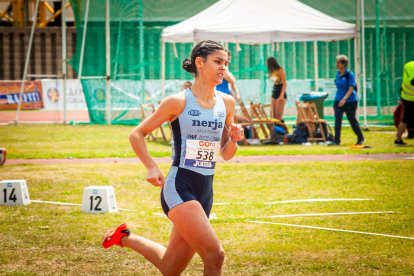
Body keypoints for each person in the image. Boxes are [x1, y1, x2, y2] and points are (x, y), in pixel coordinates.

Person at [102, 40, 244, 276]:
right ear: (200, 63)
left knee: (170, 268)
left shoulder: (226, 103)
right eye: (218, 62)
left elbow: (227, 155)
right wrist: (151, 167)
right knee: (215, 255)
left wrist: (235, 138)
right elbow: (137, 134)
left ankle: (124, 238)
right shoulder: (177, 102)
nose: (224, 68)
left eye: (226, 63)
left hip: (205, 190)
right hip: (180, 186)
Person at [328, 55, 365, 146]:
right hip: (338, 101)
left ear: (344, 64)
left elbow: (351, 88)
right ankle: (336, 140)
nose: (336, 64)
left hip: (350, 102)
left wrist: (344, 99)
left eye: (338, 63)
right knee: (337, 120)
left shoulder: (349, 74)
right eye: (336, 62)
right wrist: (339, 100)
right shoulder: (337, 74)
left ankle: (361, 138)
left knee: (351, 119)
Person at [395, 60, 414, 146]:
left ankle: (398, 140)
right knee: (405, 119)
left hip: (406, 96)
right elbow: (412, 81)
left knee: (405, 119)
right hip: (409, 98)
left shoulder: (408, 65)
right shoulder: (410, 66)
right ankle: (398, 140)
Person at [266, 57, 287, 121]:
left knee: (278, 116)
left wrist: (281, 96)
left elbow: (284, 83)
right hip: (275, 90)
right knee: (273, 115)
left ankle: (282, 129)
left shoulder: (280, 71)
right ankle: (274, 129)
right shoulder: (273, 72)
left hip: (280, 91)